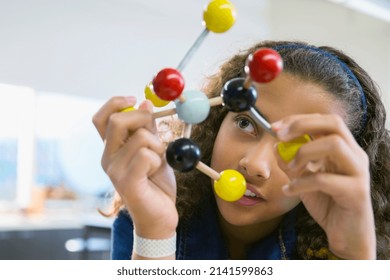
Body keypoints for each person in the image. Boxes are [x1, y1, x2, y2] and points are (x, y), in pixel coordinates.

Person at [92, 40, 390, 260]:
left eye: (298, 144)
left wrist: (354, 255)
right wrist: (154, 231)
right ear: (217, 119)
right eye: (246, 123)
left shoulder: (357, 247)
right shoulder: (143, 216)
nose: (255, 164)